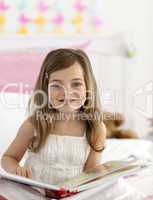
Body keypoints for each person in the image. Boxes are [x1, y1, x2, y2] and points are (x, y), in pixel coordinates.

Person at [1, 48, 106, 196]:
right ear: (46, 89)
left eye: (76, 84)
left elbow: (91, 174)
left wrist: (103, 174)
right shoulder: (34, 124)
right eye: (56, 85)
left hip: (71, 195)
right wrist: (15, 169)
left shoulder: (96, 128)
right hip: (32, 192)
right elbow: (8, 158)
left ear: (88, 86)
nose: (67, 92)